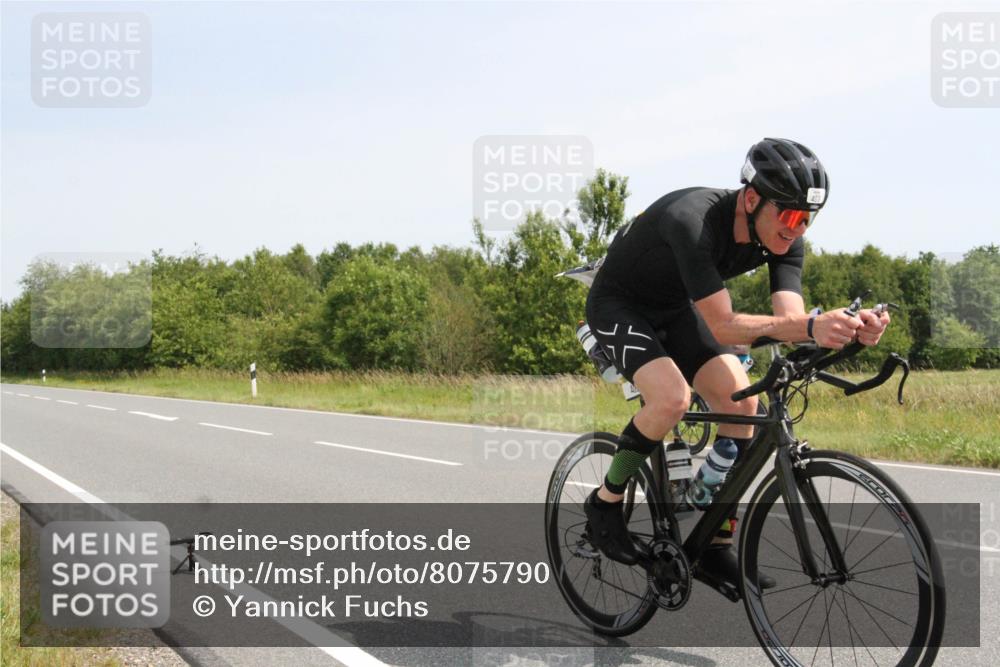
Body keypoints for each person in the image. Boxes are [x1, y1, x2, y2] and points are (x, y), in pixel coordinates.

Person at [582, 138, 891, 589]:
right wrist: (811, 327)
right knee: (671, 400)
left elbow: (791, 319)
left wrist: (848, 328)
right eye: (789, 215)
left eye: (808, 219)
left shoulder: (787, 240)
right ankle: (605, 503)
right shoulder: (693, 220)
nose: (797, 228)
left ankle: (713, 544)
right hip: (620, 304)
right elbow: (725, 325)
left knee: (745, 406)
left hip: (675, 308)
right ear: (751, 198)